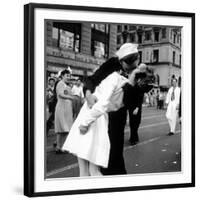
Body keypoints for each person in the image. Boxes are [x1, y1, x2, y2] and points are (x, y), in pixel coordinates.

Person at [63, 43, 154, 175]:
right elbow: (93, 79)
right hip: (97, 112)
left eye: (134, 65)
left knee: (111, 158)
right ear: (121, 61)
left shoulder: (136, 75)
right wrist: (88, 94)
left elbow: (127, 99)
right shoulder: (113, 67)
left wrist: (134, 86)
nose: (130, 68)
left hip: (112, 117)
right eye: (127, 65)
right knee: (89, 160)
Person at [54, 69, 74, 154]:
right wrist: (70, 97)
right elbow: (60, 94)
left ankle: (59, 147)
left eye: (69, 76)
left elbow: (68, 94)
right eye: (67, 76)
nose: (68, 77)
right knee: (63, 129)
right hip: (62, 108)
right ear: (62, 76)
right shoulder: (60, 84)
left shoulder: (67, 85)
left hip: (66, 109)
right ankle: (60, 147)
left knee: (63, 129)